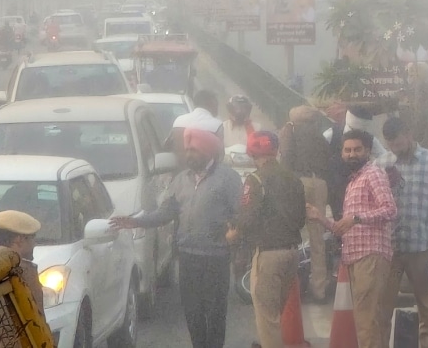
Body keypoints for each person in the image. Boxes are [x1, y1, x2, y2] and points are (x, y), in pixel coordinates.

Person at [112, 128, 241, 348]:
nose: (188, 155)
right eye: (187, 150)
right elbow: (166, 212)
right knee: (192, 311)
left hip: (216, 257)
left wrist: (236, 243)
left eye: (193, 150)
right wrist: (136, 221)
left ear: (208, 152)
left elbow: (240, 214)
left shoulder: (227, 178)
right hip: (188, 256)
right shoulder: (181, 179)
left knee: (215, 311)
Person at [309, 130, 396, 348]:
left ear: (367, 151)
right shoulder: (353, 181)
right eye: (347, 150)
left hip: (371, 254)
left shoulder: (373, 174)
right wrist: (320, 218)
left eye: (357, 149)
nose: (351, 154)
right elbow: (344, 227)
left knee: (367, 321)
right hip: (355, 257)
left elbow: (390, 210)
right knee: (367, 319)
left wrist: (357, 218)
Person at [229, 131, 307, 348]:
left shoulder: (254, 179)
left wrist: (232, 235)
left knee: (267, 319)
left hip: (268, 255)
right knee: (276, 314)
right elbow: (301, 219)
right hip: (292, 254)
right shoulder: (293, 178)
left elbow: (247, 217)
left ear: (252, 152)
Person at [378, 117, 428, 348]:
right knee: (382, 308)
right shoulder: (381, 164)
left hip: (421, 247)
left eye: (399, 144)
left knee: (427, 306)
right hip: (389, 248)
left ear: (409, 134)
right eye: (391, 146)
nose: (396, 150)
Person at [278, 104, 334, 303]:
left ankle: (293, 286)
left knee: (295, 235)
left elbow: (285, 159)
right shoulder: (321, 137)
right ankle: (318, 288)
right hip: (319, 183)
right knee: (317, 238)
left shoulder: (289, 132)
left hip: (298, 182)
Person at [0, 210, 47, 317]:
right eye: (33, 237)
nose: (34, 244)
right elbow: (37, 318)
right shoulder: (25, 273)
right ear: (19, 239)